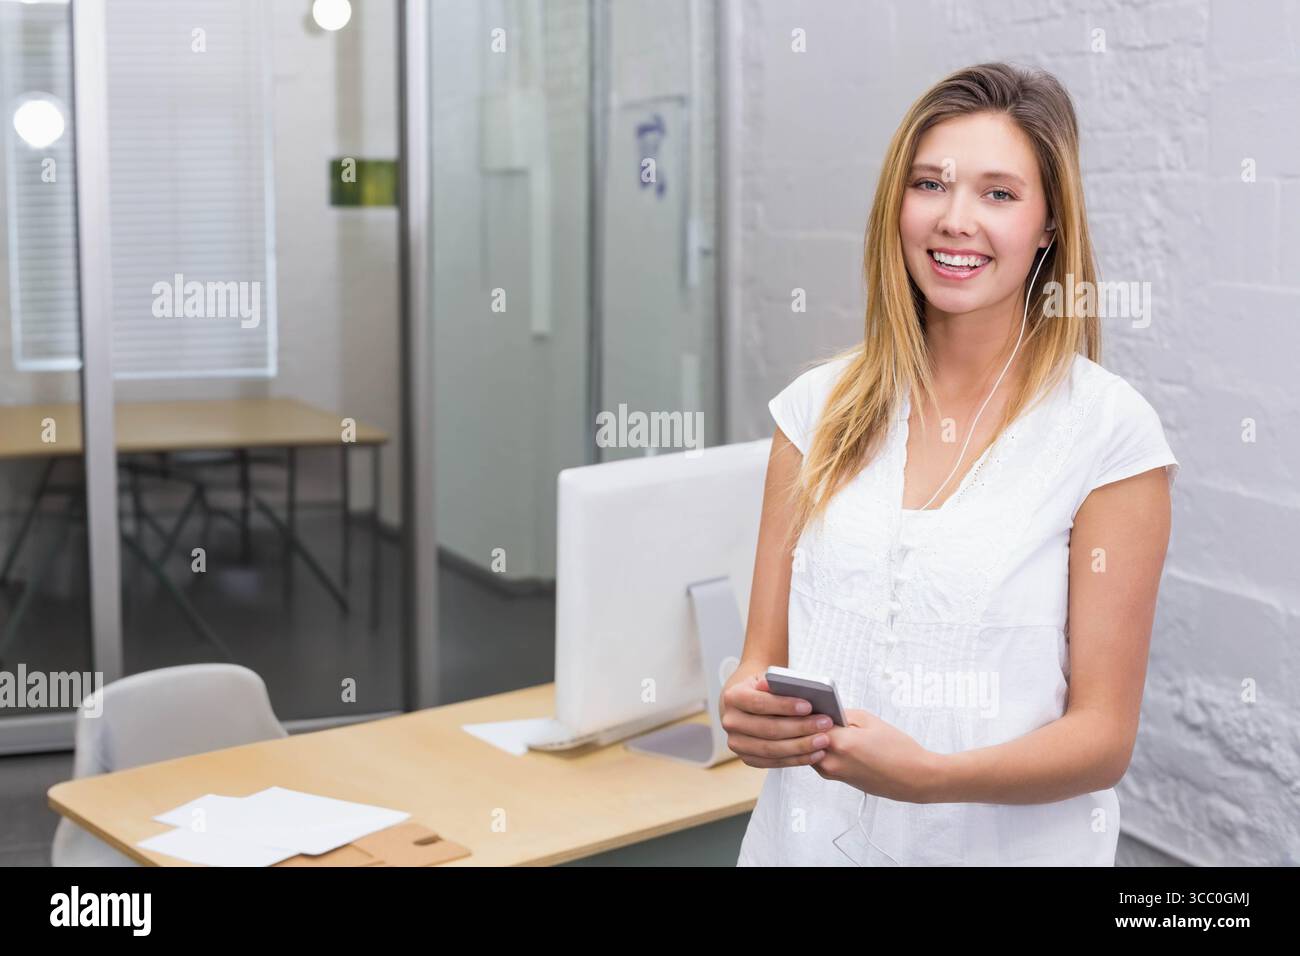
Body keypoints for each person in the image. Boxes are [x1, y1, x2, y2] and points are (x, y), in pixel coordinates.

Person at [723, 62, 1179, 866]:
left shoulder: (1110, 435)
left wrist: (933, 777)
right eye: (930, 184)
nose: (954, 219)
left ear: (1048, 227)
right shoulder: (813, 412)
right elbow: (761, 664)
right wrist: (746, 712)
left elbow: (1103, 739)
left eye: (998, 194)